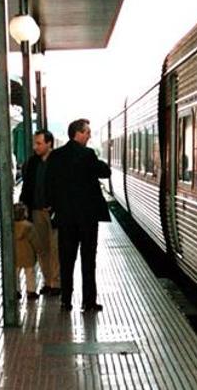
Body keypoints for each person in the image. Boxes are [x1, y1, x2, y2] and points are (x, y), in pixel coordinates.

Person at [45, 119, 111, 313]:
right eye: (87, 132)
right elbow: (105, 172)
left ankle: (66, 300)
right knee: (88, 260)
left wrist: (54, 207)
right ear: (78, 133)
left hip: (65, 218)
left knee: (66, 260)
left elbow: (49, 184)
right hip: (87, 218)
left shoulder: (56, 156)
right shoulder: (88, 154)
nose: (89, 135)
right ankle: (88, 302)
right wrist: (96, 160)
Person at [19, 129, 60, 296]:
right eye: (35, 143)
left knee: (55, 248)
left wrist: (56, 204)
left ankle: (56, 283)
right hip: (36, 211)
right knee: (42, 248)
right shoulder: (31, 163)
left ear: (49, 143)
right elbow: (26, 186)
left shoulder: (58, 161)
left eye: (39, 143)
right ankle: (48, 282)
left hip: (54, 212)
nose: (36, 147)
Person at [13, 203, 40, 301]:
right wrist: (39, 250)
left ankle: (15, 290)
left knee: (15, 274)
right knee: (30, 273)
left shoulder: (11, 227)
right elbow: (35, 241)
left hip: (15, 254)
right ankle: (31, 291)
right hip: (28, 254)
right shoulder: (29, 226)